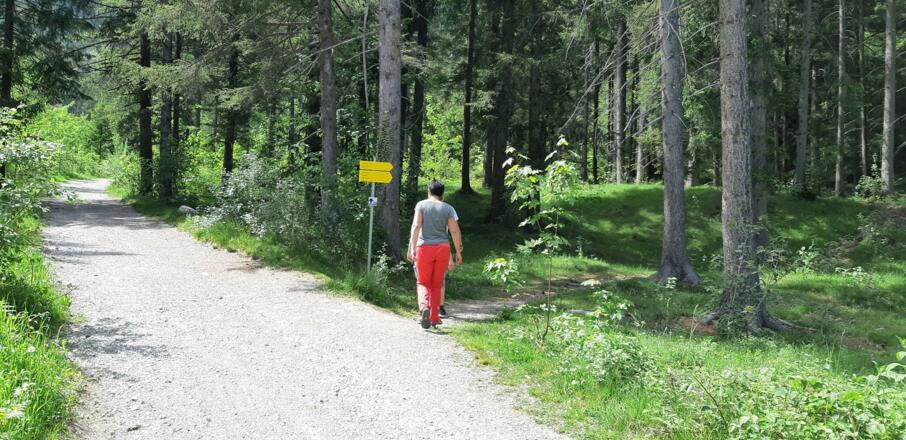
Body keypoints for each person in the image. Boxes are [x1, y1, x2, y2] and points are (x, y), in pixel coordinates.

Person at [407, 180, 463, 329]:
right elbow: (454, 231)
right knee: (437, 284)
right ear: (442, 194)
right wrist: (458, 251)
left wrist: (412, 248)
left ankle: (424, 308)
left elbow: (416, 225)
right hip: (443, 249)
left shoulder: (421, 205)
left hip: (424, 248)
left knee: (423, 282)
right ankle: (434, 317)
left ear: (428, 191)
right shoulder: (448, 208)